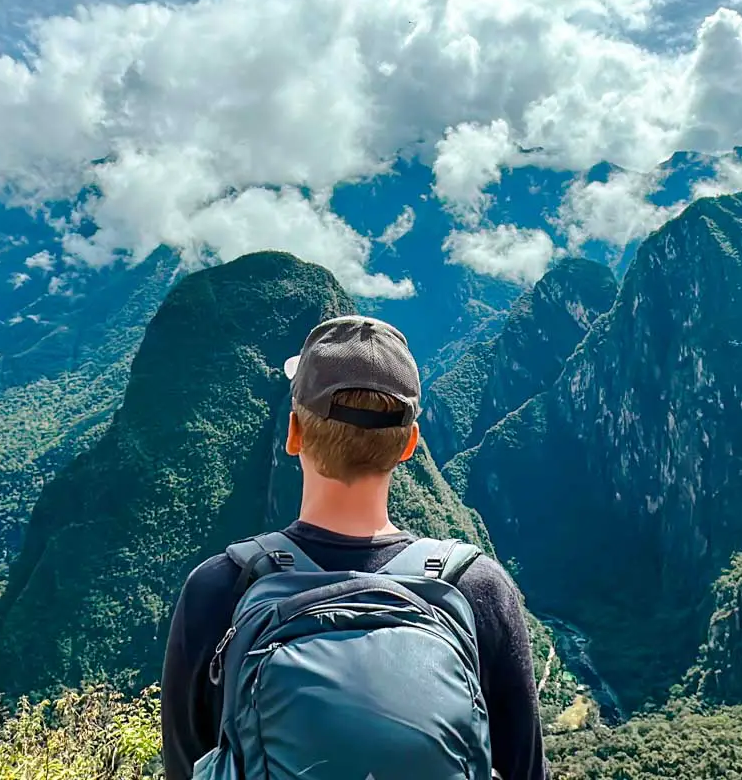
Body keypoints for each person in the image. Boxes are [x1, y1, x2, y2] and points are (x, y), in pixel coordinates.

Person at [160, 314, 551, 780]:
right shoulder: (478, 589)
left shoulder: (220, 589)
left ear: (293, 433)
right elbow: (523, 769)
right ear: (409, 445)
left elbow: (185, 766)